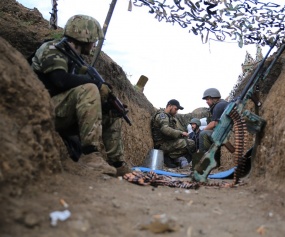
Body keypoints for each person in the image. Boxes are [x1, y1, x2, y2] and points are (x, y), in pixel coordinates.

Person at [30, 14, 130, 176]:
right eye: (94, 40)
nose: (94, 44)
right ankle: (90, 155)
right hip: (41, 110)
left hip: (62, 112)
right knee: (89, 88)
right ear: (86, 36)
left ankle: (118, 164)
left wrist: (106, 107)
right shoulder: (52, 48)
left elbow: (74, 96)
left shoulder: (76, 59)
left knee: (111, 114)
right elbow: (59, 81)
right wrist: (97, 85)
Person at [151, 99, 196, 168]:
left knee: (188, 141)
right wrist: (181, 133)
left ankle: (170, 157)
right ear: (169, 106)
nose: (176, 111)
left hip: (167, 143)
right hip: (161, 145)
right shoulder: (163, 116)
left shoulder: (169, 117)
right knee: (190, 143)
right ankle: (167, 157)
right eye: (176, 109)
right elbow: (165, 129)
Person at [199, 88, 228, 167]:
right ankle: (214, 161)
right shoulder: (221, 104)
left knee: (203, 134)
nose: (206, 101)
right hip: (224, 130)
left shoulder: (219, 106)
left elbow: (214, 123)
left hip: (224, 132)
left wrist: (203, 130)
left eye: (208, 99)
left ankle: (205, 162)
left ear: (214, 97)